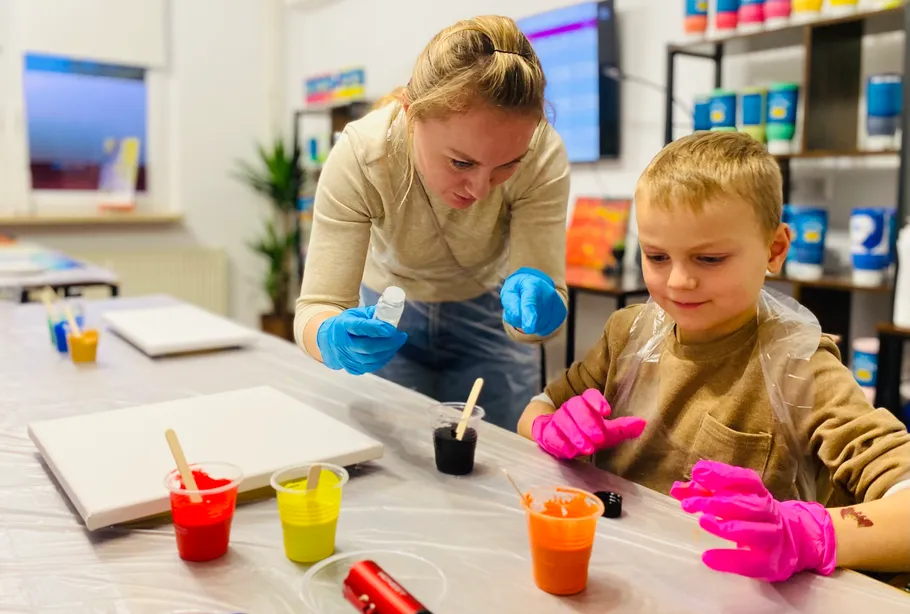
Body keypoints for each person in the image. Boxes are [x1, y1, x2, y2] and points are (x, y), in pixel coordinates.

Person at [517, 131, 910, 582]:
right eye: (657, 256)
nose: (679, 281)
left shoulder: (799, 365)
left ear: (775, 249)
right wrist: (549, 428)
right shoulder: (627, 334)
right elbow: (537, 410)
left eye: (709, 259)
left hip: (729, 586)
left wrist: (811, 533)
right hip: (616, 570)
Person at [294, 15, 570, 431]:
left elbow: (537, 312)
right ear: (410, 112)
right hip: (388, 317)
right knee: (392, 466)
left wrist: (539, 309)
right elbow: (317, 305)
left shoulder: (541, 154)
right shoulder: (363, 156)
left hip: (485, 311)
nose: (480, 189)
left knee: (504, 464)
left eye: (505, 166)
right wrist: (331, 336)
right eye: (461, 162)